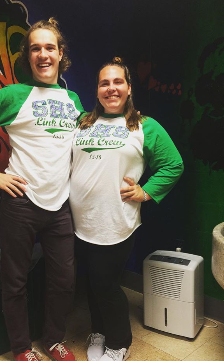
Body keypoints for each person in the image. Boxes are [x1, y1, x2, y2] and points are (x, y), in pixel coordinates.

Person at [0, 18, 85, 361]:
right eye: (35, 48)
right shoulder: (14, 95)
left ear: (60, 53)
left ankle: (54, 340)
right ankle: (22, 349)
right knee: (15, 282)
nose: (43, 54)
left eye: (49, 47)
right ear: (28, 55)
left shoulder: (72, 99)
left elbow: (87, 144)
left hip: (60, 207)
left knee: (64, 280)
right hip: (20, 204)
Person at [69, 57, 184, 361]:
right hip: (80, 223)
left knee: (106, 285)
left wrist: (145, 192)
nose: (111, 88)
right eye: (104, 83)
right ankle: (99, 330)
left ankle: (119, 343)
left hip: (116, 223)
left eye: (118, 82)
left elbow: (174, 164)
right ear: (97, 90)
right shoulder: (83, 122)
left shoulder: (145, 126)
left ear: (129, 87)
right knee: (91, 282)